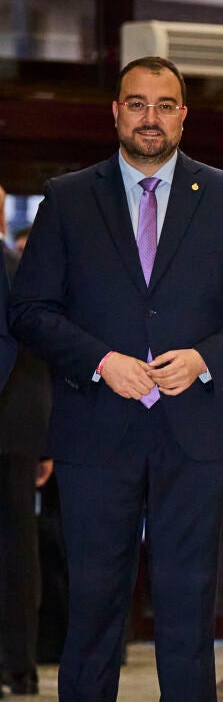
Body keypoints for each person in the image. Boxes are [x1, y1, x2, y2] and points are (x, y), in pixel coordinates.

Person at [8, 56, 223, 701]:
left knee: (188, 608)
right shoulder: (68, 198)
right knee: (93, 607)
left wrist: (204, 359)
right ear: (116, 113)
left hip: (195, 432)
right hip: (95, 430)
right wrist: (102, 361)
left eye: (164, 105)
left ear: (183, 115)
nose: (150, 117)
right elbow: (30, 310)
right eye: (137, 104)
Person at [0, 182, 50, 697]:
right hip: (22, 427)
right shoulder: (24, 270)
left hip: (17, 423)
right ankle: (20, 666)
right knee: (18, 546)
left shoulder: (18, 268)